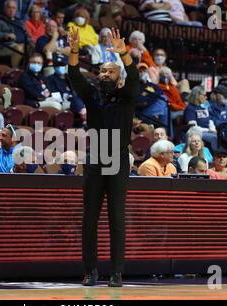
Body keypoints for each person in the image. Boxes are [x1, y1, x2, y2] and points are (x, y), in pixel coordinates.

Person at [68, 27, 139, 287]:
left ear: (118, 76)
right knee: (90, 218)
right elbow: (74, 76)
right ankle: (90, 271)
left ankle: (117, 273)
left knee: (117, 218)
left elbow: (134, 77)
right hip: (95, 161)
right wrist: (74, 51)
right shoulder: (93, 97)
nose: (104, 74)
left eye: (109, 70)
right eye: (102, 71)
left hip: (118, 160)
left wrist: (125, 54)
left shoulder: (127, 96)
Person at [0, 0, 32, 68]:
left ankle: (29, 72)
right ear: (5, 8)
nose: (11, 10)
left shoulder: (19, 22)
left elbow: (26, 35)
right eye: (9, 7)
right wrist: (5, 35)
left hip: (23, 44)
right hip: (5, 46)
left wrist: (31, 41)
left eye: (13, 8)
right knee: (19, 48)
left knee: (33, 47)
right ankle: (14, 70)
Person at [184, 85, 218, 152]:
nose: (206, 97)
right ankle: (217, 155)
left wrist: (213, 129)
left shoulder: (204, 106)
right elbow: (193, 127)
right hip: (195, 133)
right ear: (197, 95)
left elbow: (210, 120)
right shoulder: (190, 108)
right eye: (204, 95)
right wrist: (208, 130)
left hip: (207, 131)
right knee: (214, 138)